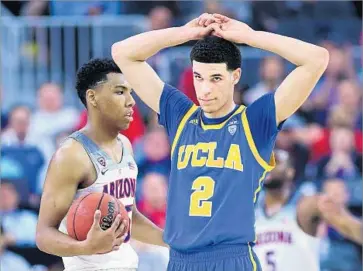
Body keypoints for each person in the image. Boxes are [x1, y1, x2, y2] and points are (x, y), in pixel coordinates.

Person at [111, 13, 329, 271]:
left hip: (232, 259)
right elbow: (122, 52)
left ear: (235, 76)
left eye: (215, 78)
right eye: (198, 77)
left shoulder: (255, 121)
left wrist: (251, 37)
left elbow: (316, 59)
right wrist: (184, 33)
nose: (205, 89)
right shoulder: (181, 115)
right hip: (180, 260)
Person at [35, 58, 167, 271]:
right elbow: (43, 235)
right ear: (92, 97)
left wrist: (171, 241)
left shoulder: (125, 145)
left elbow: (127, 216)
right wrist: (86, 247)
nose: (131, 101)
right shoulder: (71, 155)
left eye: (131, 92)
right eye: (120, 91)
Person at [254, 149, 322, 271]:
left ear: (290, 172)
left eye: (277, 163)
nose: (269, 167)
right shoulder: (251, 208)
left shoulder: (304, 204)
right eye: (266, 163)